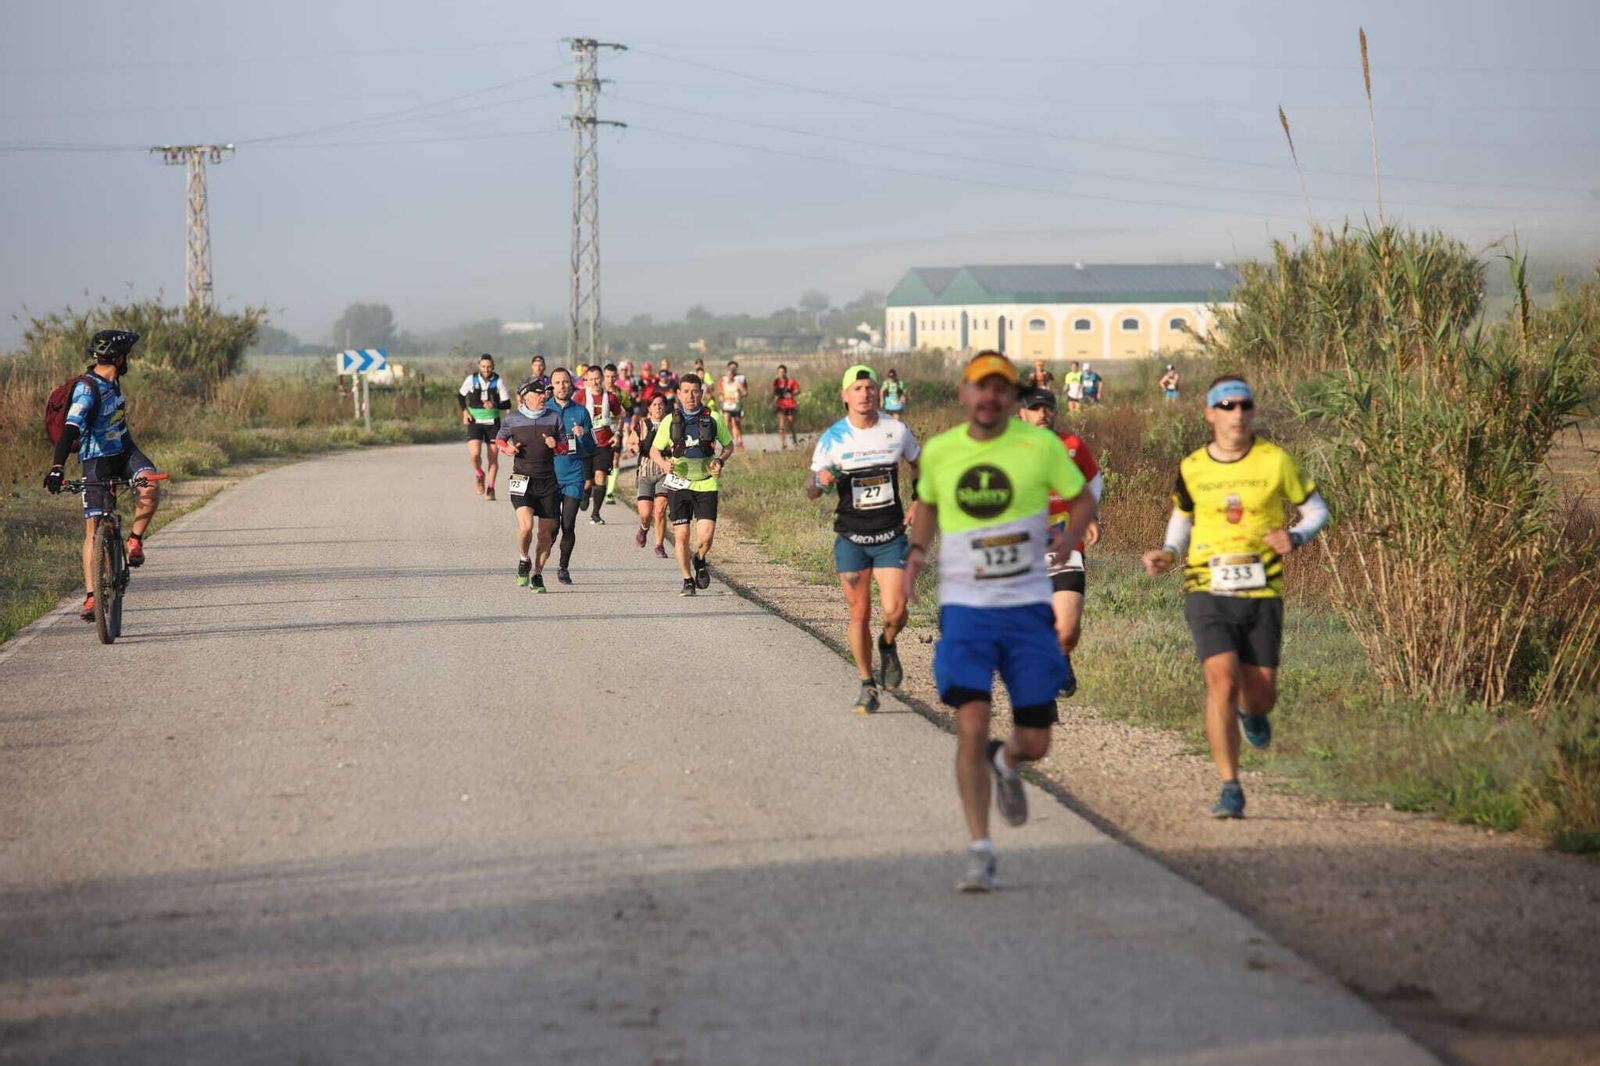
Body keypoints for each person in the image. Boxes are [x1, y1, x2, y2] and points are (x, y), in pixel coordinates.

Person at [903, 351, 1096, 893]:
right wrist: (918, 553)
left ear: (1011, 398)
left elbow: (1082, 498)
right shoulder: (942, 451)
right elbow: (930, 504)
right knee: (971, 722)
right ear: (964, 394)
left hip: (1028, 610)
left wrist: (1070, 536)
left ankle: (1008, 763)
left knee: (1036, 741)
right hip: (966, 610)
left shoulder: (1041, 447)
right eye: (979, 388)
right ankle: (980, 850)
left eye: (999, 389)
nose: (989, 397)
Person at [1141, 376, 1329, 819]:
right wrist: (1170, 551)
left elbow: (1317, 508)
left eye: (1244, 405)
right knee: (1221, 680)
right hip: (1207, 585)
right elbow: (1182, 516)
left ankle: (1253, 713)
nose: (1236, 414)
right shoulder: (1192, 467)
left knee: (1260, 694)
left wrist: (1296, 535)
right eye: (1226, 406)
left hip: (1263, 588)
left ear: (1253, 411)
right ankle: (1230, 785)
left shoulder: (1276, 461)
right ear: (1210, 414)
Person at [807, 365, 921, 715]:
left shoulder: (896, 430)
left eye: (870, 387)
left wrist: (918, 499)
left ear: (878, 392)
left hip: (890, 536)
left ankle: (887, 644)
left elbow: (920, 462)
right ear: (845, 395)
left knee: (895, 611)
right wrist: (821, 481)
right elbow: (811, 490)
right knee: (859, 613)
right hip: (851, 537)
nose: (865, 393)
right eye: (857, 388)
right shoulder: (833, 438)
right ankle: (867, 684)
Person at [44, 329, 162, 623]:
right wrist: (57, 467)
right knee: (93, 529)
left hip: (125, 451)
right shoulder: (87, 389)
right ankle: (92, 595)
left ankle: (135, 540)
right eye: (126, 355)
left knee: (149, 483)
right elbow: (71, 427)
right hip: (96, 461)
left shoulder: (114, 380)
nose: (128, 360)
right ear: (118, 357)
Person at [1018, 388, 1101, 683]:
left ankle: (1062, 654)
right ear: (1022, 414)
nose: (1043, 413)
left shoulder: (1072, 445)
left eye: (1048, 408)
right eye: (1036, 408)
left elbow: (1092, 479)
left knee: (1066, 632)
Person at [649, 374, 734, 596]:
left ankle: (700, 558)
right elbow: (654, 451)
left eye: (695, 391)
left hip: (706, 484)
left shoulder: (714, 418)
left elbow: (728, 446)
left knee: (705, 537)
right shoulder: (670, 420)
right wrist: (663, 464)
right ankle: (687, 580)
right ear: (678, 394)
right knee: (682, 535)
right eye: (685, 391)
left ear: (702, 393)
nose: (690, 396)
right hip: (679, 485)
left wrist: (720, 461)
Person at [495, 379, 565, 592]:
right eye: (539, 393)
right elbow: (499, 440)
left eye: (545, 393)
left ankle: (537, 574)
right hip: (522, 479)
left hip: (547, 482)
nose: (544, 396)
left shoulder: (554, 417)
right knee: (526, 527)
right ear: (526, 396)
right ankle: (523, 559)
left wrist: (556, 445)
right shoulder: (513, 418)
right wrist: (506, 449)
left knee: (546, 535)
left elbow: (566, 447)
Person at [546, 367, 597, 585]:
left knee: (568, 525)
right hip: (548, 476)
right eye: (557, 383)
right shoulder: (543, 410)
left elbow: (592, 448)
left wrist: (583, 436)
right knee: (552, 527)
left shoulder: (582, 412)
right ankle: (539, 560)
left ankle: (563, 567)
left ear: (571, 384)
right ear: (551, 386)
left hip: (574, 476)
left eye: (565, 382)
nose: (562, 386)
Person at [574, 364, 627, 522]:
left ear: (602, 379)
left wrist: (617, 433)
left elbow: (620, 416)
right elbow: (570, 414)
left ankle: (596, 513)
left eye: (597, 378)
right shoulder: (580, 396)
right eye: (591, 379)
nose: (595, 382)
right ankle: (585, 493)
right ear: (587, 381)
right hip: (585, 445)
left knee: (601, 475)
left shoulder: (610, 397)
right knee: (587, 481)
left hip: (604, 444)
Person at [457, 353, 512, 500]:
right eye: (483, 367)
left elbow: (507, 403)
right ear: (479, 366)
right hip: (475, 421)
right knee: (475, 454)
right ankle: (479, 474)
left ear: (493, 366)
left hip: (492, 423)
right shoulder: (472, 379)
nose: (486, 369)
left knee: (493, 457)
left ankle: (491, 488)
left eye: (489, 367)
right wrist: (465, 412)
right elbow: (460, 396)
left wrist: (494, 404)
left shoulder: (499, 381)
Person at [627, 393, 672, 557]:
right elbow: (631, 443)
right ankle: (644, 528)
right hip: (646, 472)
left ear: (665, 407)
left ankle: (659, 545)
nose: (658, 407)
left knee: (660, 511)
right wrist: (634, 448)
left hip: (664, 472)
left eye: (661, 404)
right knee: (645, 514)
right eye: (654, 404)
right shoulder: (642, 425)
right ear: (649, 408)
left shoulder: (672, 424)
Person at [717, 361, 748, 452]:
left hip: (736, 406)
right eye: (727, 374)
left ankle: (739, 441)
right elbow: (720, 393)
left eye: (730, 374)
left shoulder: (737, 383)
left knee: (736, 424)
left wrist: (741, 396)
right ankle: (726, 441)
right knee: (726, 420)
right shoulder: (723, 383)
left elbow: (745, 392)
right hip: (727, 406)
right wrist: (722, 397)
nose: (728, 376)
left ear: (733, 375)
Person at [771, 364, 801, 447]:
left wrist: (791, 394)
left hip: (790, 405)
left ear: (785, 372)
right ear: (777, 373)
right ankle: (783, 444)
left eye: (783, 372)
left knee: (791, 423)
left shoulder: (791, 381)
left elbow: (798, 390)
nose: (781, 374)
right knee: (781, 425)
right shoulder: (776, 382)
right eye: (779, 372)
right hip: (780, 405)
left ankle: (795, 442)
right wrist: (770, 400)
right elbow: (774, 392)